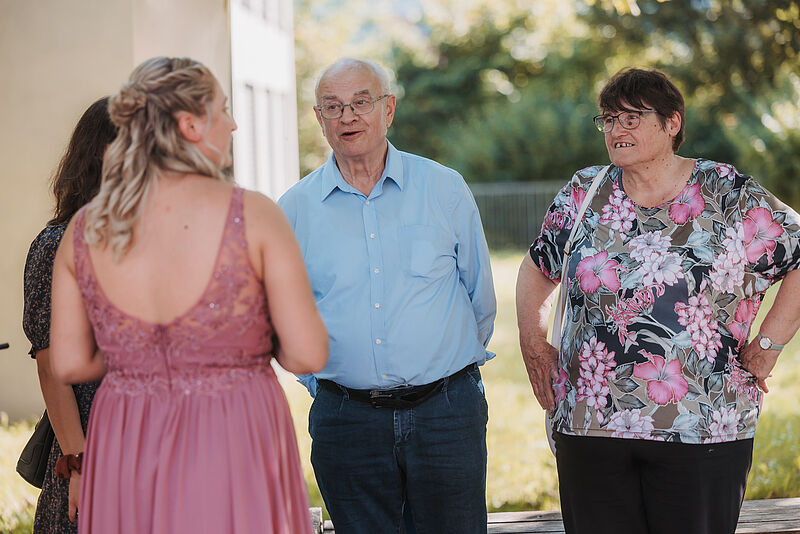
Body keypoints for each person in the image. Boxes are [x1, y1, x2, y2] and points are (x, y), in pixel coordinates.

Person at [49, 56, 328, 534]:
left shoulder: (85, 229)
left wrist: (136, 356)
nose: (233, 124)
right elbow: (307, 354)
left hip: (127, 432)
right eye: (224, 109)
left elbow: (70, 364)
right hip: (232, 429)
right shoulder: (253, 215)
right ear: (190, 125)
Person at [516, 66, 800, 534]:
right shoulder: (585, 191)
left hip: (702, 424)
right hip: (590, 423)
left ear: (672, 123)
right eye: (609, 119)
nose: (617, 130)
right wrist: (533, 340)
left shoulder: (726, 193)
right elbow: (537, 265)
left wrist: (769, 345)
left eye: (632, 118)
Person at [278, 57, 496, 534]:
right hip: (346, 421)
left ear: (388, 109)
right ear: (318, 118)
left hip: (446, 414)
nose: (347, 116)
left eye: (361, 102)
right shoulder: (294, 209)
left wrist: (444, 371)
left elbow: (480, 297)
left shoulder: (443, 188)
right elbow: (285, 319)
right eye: (333, 106)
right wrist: (330, 387)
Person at [23, 96, 117, 532]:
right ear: (100, 153)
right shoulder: (57, 244)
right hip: (91, 445)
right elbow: (51, 368)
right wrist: (77, 463)